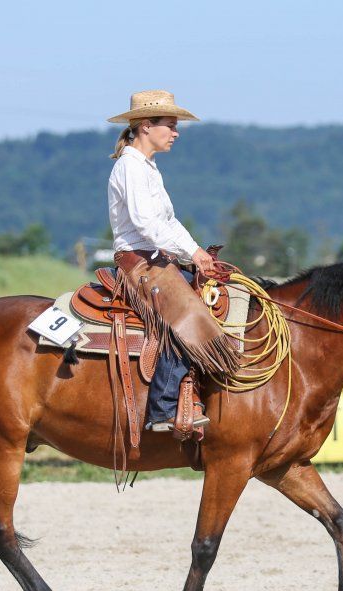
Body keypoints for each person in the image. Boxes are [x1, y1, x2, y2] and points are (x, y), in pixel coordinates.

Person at [106, 90, 237, 433]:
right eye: (171, 125)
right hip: (138, 261)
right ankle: (163, 407)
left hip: (157, 258)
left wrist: (197, 252)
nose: (176, 133)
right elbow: (146, 225)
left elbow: (169, 221)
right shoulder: (130, 167)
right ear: (146, 126)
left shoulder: (148, 168)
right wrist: (190, 253)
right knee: (186, 315)